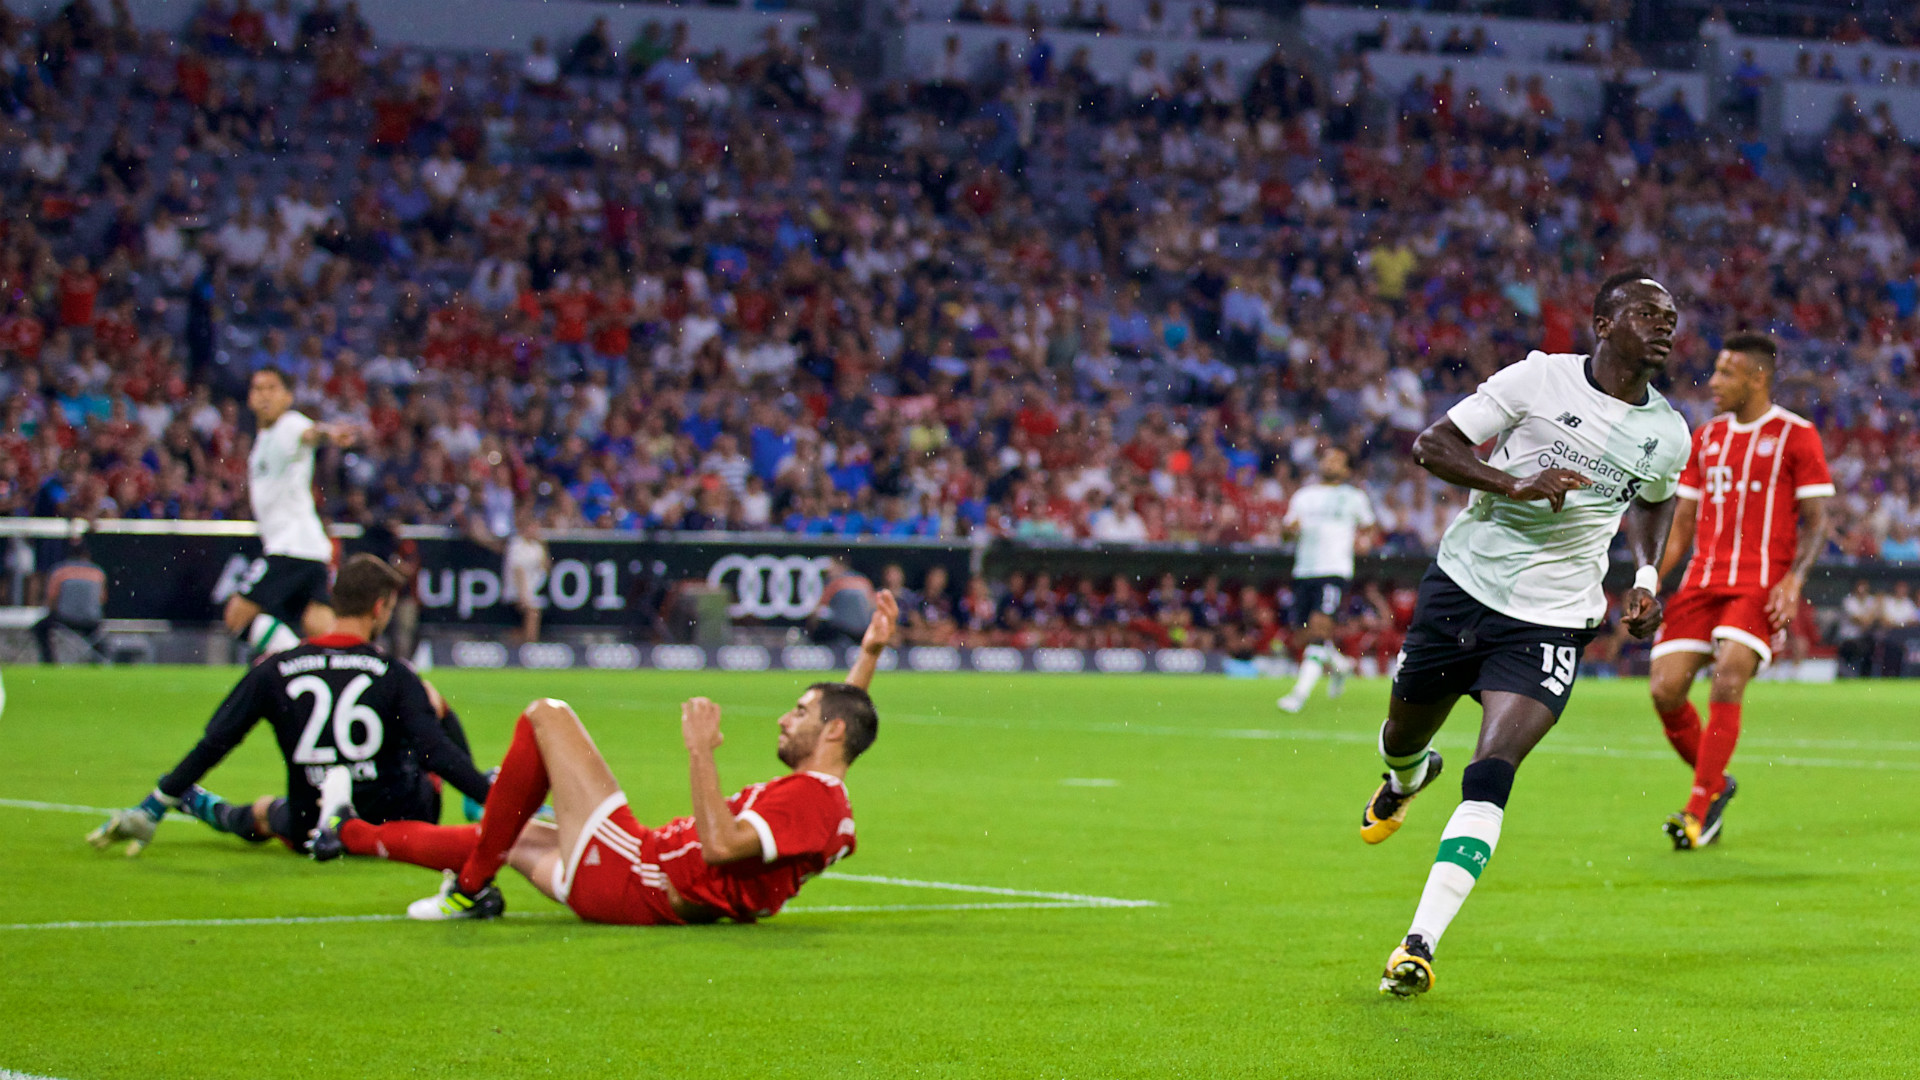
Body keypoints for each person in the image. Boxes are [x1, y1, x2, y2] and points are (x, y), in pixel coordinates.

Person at [1363, 271, 1690, 996]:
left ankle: (1418, 943)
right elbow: (1433, 445)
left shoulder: (1668, 432)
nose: (1664, 326)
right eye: (1645, 313)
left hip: (1553, 617)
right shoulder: (1538, 379)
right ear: (1604, 324)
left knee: (1493, 770)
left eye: (1670, 317)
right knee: (1401, 734)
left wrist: (1644, 578)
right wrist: (1513, 484)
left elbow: (1656, 502)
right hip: (1464, 587)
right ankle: (1405, 776)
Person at [321, 592, 897, 925]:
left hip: (635, 873)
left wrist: (700, 752)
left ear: (831, 732)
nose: (784, 717)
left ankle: (468, 890)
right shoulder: (823, 791)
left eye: (799, 712)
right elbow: (841, 719)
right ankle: (347, 833)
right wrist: (868, 653)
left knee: (547, 713)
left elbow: (721, 848)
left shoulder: (811, 801)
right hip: (633, 879)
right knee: (505, 835)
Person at [86, 555, 491, 857]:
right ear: (379, 608)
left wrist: (154, 806)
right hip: (395, 819)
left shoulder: (276, 669)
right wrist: (494, 799)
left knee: (266, 813)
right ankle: (480, 802)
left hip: (310, 824)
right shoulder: (395, 673)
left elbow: (215, 743)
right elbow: (435, 753)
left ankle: (201, 805)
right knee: (429, 702)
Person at [1646, 333, 1832, 850]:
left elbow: (1818, 521)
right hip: (1702, 580)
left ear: (1758, 377)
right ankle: (1717, 784)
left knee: (1728, 677)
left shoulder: (1796, 435)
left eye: (1727, 373)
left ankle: (1697, 812)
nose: (1714, 383)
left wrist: (1794, 579)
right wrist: (1651, 580)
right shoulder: (1705, 438)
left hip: (1760, 582)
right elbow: (1682, 523)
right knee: (1664, 690)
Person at [224, 367, 357, 658]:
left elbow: (312, 433)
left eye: (272, 389)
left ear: (287, 397)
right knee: (322, 632)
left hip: (290, 548)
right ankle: (355, 671)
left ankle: (295, 661)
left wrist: (331, 434)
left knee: (237, 617)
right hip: (311, 549)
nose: (264, 396)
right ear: (249, 398)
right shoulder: (263, 440)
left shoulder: (289, 424)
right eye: (258, 389)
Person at [1276, 447, 1378, 713]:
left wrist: (1364, 540)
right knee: (1302, 635)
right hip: (1304, 570)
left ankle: (1298, 696)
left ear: (1346, 470)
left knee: (1319, 629)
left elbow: (1368, 526)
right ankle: (1340, 666)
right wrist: (1289, 531)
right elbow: (1287, 533)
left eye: (1337, 459)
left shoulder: (1354, 497)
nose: (1330, 462)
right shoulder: (1303, 496)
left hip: (1334, 569)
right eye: (1327, 458)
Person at [33, 538, 109, 663]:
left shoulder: (59, 571)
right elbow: (102, 599)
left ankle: (49, 660)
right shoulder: (97, 573)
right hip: (90, 621)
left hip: (64, 620)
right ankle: (99, 661)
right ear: (87, 554)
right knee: (97, 637)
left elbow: (51, 598)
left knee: (39, 628)